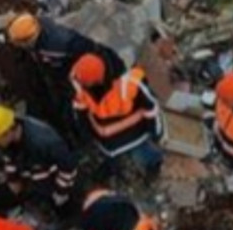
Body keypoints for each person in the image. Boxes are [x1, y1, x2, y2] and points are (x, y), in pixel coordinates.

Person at [70, 51, 165, 180]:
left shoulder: (130, 83)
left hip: (133, 137)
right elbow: (80, 116)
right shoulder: (81, 91)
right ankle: (113, 170)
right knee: (114, 159)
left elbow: (151, 108)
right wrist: (155, 132)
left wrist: (155, 133)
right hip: (110, 142)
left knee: (146, 154)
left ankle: (153, 168)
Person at [0, 105, 79, 214]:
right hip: (36, 183)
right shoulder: (9, 143)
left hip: (56, 186)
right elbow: (11, 165)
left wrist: (61, 192)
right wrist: (11, 182)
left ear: (6, 133)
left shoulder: (44, 142)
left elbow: (68, 167)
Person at [4, 13, 106, 73]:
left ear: (29, 40)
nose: (17, 45)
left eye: (18, 42)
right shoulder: (41, 21)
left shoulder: (55, 46)